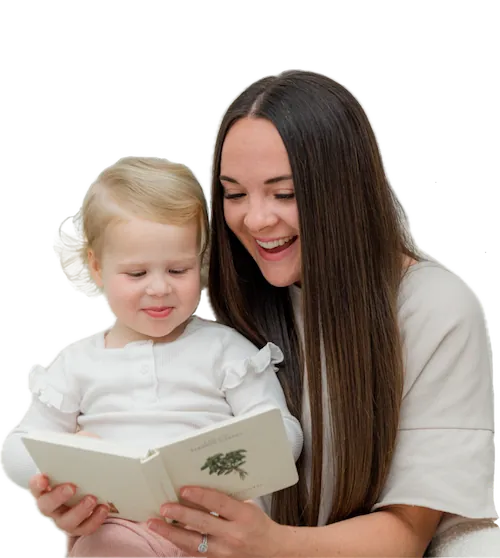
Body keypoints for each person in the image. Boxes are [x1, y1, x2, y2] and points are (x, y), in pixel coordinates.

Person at [13, 69, 497, 557]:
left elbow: (406, 535)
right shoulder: (208, 294)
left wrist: (269, 544)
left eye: (284, 193)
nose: (256, 220)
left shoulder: (432, 309)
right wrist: (71, 490)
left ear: (344, 190)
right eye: (234, 193)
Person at [0, 155, 303, 557]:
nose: (159, 288)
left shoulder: (227, 350)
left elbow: (285, 431)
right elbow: (17, 448)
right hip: (119, 528)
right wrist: (67, 463)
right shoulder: (78, 365)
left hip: (215, 528)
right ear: (96, 266)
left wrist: (228, 453)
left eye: (178, 270)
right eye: (137, 274)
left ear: (201, 260)